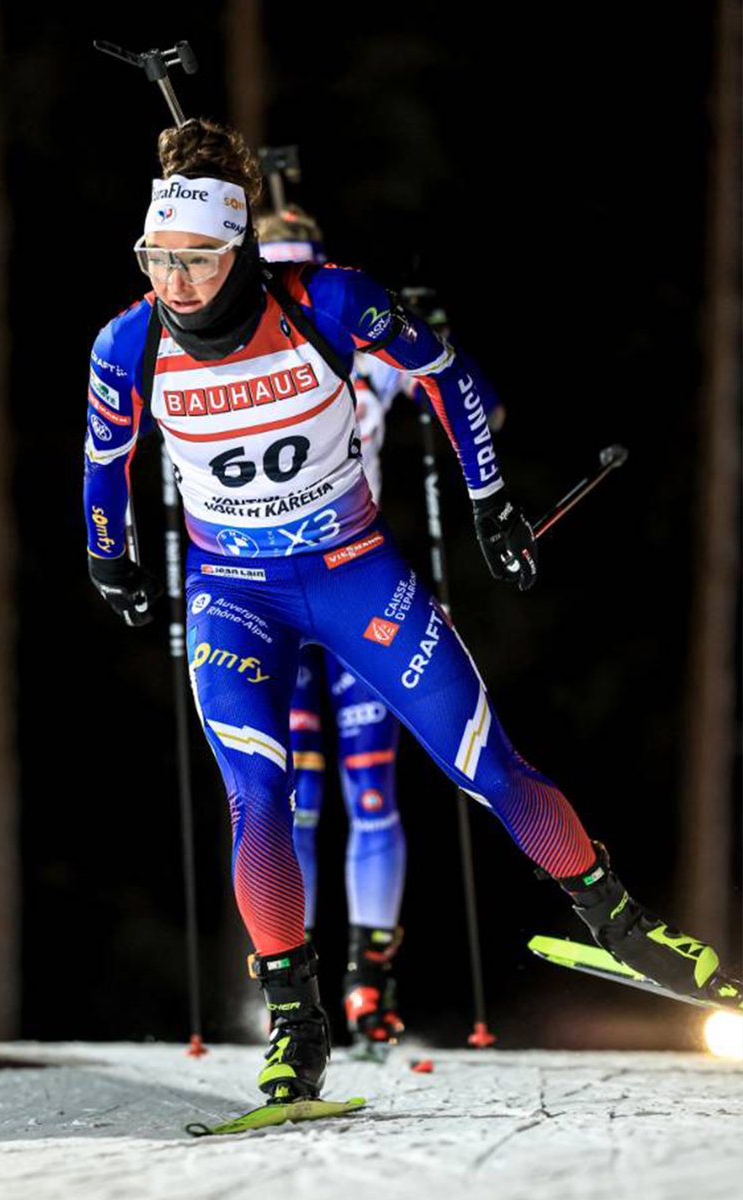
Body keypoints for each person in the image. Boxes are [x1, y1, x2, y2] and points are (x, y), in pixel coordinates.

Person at [84, 117, 738, 1103]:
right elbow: (105, 463)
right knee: (261, 797)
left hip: (354, 573)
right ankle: (298, 1023)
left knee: (485, 762)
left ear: (240, 251)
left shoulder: (331, 303)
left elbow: (450, 378)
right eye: (157, 260)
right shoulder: (127, 343)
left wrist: (489, 503)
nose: (173, 284)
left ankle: (622, 924)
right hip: (234, 596)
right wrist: (109, 561)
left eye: (197, 262)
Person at [255, 203, 506, 1054]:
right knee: (302, 798)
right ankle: (307, 987)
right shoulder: (249, 344)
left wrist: (431, 334)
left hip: (355, 584)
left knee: (360, 794)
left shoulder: (349, 335)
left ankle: (368, 985)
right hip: (282, 593)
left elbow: (472, 401)